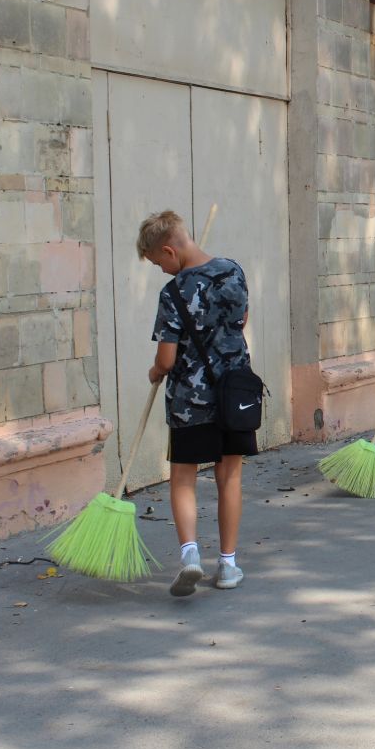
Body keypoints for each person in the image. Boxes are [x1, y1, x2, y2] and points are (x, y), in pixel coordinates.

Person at [137, 210, 252, 596]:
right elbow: (240, 321)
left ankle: (189, 556)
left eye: (158, 262)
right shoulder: (233, 271)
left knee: (184, 478)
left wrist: (156, 371)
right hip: (236, 395)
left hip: (191, 400)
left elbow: (167, 359)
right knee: (229, 477)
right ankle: (229, 565)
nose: (161, 270)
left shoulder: (173, 293)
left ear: (169, 250)